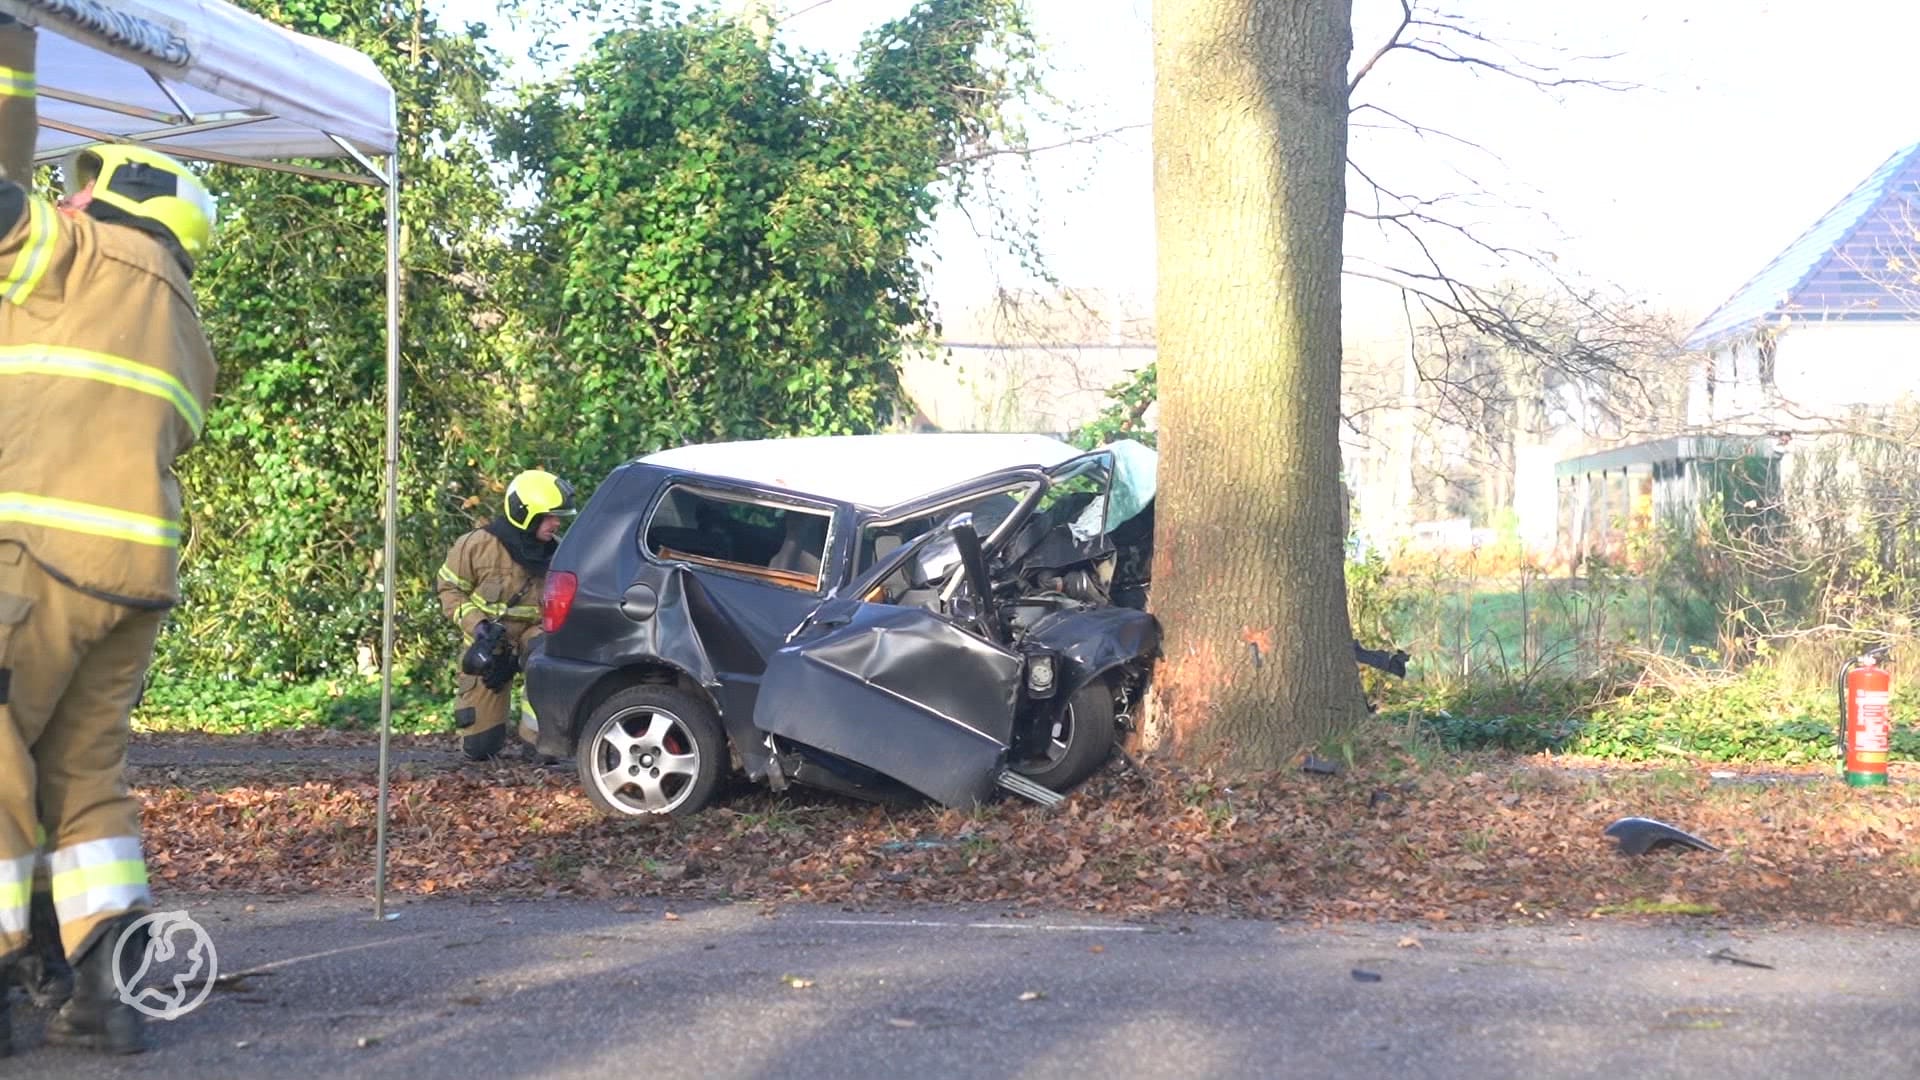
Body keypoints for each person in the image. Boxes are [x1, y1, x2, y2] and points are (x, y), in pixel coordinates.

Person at [0, 16, 219, 1058]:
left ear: (115, 199)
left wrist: (9, 50)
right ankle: (107, 994)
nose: (68, 188)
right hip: (133, 585)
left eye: (83, 179)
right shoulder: (185, 321)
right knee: (85, 780)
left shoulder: (75, 251)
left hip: (27, 564)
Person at [436, 469, 576, 761]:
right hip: (489, 643)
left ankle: (537, 739)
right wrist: (479, 629)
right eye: (549, 516)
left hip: (532, 636)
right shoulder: (476, 545)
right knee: (480, 748)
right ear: (527, 514)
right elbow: (449, 590)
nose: (556, 522)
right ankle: (488, 729)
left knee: (544, 656)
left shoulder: (560, 555)